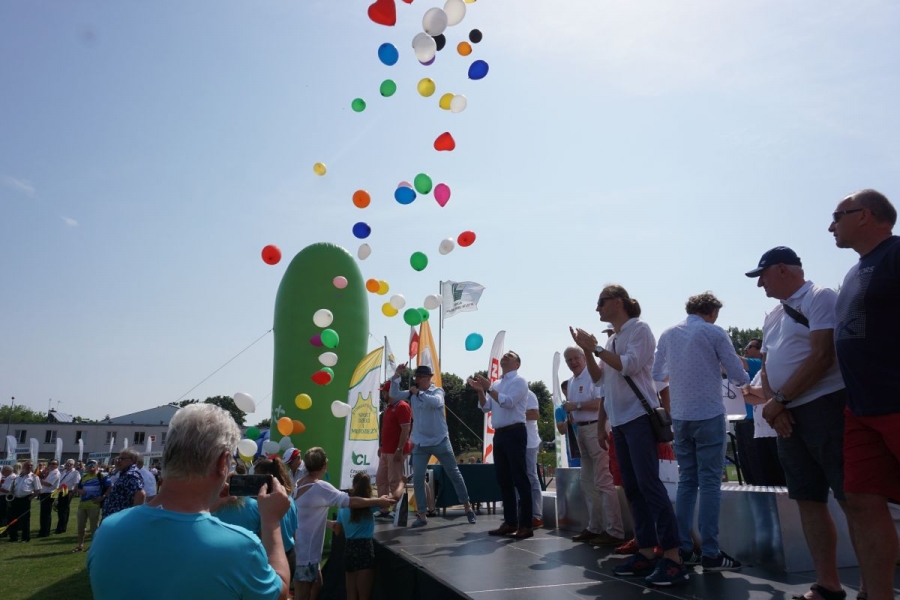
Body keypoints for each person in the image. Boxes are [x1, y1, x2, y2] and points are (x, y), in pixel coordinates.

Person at [88, 403, 291, 600]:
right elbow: (280, 592)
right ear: (223, 462)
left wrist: (211, 507)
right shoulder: (241, 547)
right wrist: (271, 522)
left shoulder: (107, 530)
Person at [746, 246, 851, 600]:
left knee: (853, 500)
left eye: (762, 275)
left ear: (782, 269)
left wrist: (779, 402)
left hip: (826, 407)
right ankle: (827, 585)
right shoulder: (774, 315)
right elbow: (767, 366)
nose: (759, 283)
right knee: (808, 500)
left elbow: (823, 355)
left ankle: (872, 588)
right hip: (789, 415)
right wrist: (777, 406)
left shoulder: (820, 297)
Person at [571, 284, 687, 586]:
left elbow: (629, 366)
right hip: (620, 423)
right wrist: (589, 350)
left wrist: (596, 348)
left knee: (649, 485)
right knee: (632, 488)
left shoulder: (640, 329)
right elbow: (601, 381)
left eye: (601, 302)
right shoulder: (612, 339)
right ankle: (647, 551)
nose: (597, 308)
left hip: (638, 418)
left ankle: (673, 556)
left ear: (618, 302)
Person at [829, 189, 900, 600]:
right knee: (860, 500)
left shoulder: (897, 254)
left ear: (865, 215)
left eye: (837, 216)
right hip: (860, 409)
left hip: (896, 401)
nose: (831, 226)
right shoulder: (855, 272)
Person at [653, 292, 750, 571]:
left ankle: (684, 548)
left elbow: (657, 375)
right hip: (708, 413)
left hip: (680, 417)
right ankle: (710, 552)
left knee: (687, 481)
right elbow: (738, 376)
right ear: (712, 312)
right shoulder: (714, 332)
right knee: (709, 483)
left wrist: (682, 372)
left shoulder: (668, 333)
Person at [292, 447, 394, 600]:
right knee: (303, 594)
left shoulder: (299, 483)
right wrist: (378, 501)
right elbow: (351, 502)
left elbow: (307, 515)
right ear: (324, 465)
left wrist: (328, 523)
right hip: (306, 553)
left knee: (317, 584)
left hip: (301, 549)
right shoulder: (319, 487)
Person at [390, 364, 476, 528]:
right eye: (416, 377)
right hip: (420, 443)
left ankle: (467, 506)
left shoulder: (437, 391)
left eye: (420, 377)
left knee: (454, 473)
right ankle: (422, 515)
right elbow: (394, 394)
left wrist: (419, 393)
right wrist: (396, 376)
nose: (417, 379)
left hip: (439, 441)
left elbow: (437, 403)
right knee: (417, 478)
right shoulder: (412, 393)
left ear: (429, 378)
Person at [561, 345, 624, 547]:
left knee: (603, 480)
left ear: (584, 356)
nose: (573, 362)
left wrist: (576, 406)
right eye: (569, 360)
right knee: (587, 481)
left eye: (576, 358)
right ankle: (595, 526)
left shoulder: (593, 375)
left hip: (596, 427)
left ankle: (614, 530)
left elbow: (600, 402)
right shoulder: (572, 381)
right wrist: (573, 413)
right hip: (581, 430)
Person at [469, 351, 533, 539]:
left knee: (520, 479)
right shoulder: (496, 384)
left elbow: (508, 402)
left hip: (515, 432)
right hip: (500, 434)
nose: (505, 356)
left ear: (517, 363)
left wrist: (488, 388)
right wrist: (480, 391)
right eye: (504, 355)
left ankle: (526, 525)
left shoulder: (519, 381)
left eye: (510, 355)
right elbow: (485, 407)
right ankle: (510, 522)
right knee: (504, 480)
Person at [335, 472, 380, 600]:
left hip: (349, 549)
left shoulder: (343, 507)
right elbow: (393, 500)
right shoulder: (370, 506)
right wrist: (401, 483)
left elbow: (337, 531)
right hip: (365, 549)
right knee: (364, 596)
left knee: (351, 595)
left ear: (353, 485)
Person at [255, 457, 300, 585]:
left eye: (256, 476)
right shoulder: (289, 500)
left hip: (272, 557)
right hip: (289, 556)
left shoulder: (261, 505)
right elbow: (294, 532)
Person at [375, 380, 411, 517]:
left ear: (390, 392)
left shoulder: (402, 406)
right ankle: (384, 508)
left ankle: (397, 510)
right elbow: (387, 430)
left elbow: (406, 429)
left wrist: (399, 449)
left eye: (384, 392)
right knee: (381, 480)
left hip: (395, 451)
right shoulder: (389, 407)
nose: (383, 394)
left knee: (394, 481)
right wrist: (382, 446)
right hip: (386, 451)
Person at [72, 460, 109, 552]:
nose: (91, 468)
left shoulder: (102, 476)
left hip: (94, 505)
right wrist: (80, 491)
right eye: (89, 466)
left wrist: (102, 497)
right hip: (82, 505)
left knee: (94, 528)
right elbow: (78, 488)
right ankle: (80, 545)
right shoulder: (84, 476)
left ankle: (94, 546)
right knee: (80, 526)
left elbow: (110, 486)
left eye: (93, 466)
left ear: (97, 466)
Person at [101, 448, 145, 520]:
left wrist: (134, 518)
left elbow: (141, 495)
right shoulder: (124, 473)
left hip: (120, 519)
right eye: (118, 458)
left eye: (122, 459)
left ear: (132, 460)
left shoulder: (131, 475)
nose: (118, 461)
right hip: (115, 517)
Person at [523, 390, 544, 528]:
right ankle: (521, 513)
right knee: (516, 478)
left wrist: (515, 414)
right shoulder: (505, 395)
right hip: (514, 442)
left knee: (531, 476)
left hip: (529, 443)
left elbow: (535, 414)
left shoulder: (528, 394)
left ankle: (536, 515)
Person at [7, 460, 40, 543]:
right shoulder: (18, 477)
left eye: (31, 465)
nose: (29, 467)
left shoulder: (34, 477)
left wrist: (29, 498)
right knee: (13, 517)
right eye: (27, 465)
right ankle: (13, 537)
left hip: (25, 499)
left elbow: (38, 490)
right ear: (23, 467)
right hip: (16, 499)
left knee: (25, 519)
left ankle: (25, 537)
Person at [554, 380, 581, 467]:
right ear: (564, 391)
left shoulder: (581, 404)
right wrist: (568, 419)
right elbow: (561, 431)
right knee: (576, 471)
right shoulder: (559, 410)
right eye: (569, 388)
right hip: (573, 445)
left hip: (587, 439)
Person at [739, 338, 764, 419]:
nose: (745, 349)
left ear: (760, 350)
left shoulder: (759, 363)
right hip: (743, 418)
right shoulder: (749, 367)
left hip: (751, 418)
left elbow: (735, 361)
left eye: (749, 347)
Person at [55, 459, 81, 534]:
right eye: (67, 464)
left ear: (73, 465)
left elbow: (77, 483)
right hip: (61, 490)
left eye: (70, 464)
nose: (68, 465)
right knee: (60, 509)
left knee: (64, 510)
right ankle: (61, 525)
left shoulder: (75, 473)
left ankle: (61, 527)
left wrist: (73, 493)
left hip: (68, 491)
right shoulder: (64, 472)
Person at [37, 459, 60, 537]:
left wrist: (38, 480)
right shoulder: (50, 472)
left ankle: (45, 532)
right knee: (43, 513)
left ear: (57, 465)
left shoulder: (56, 473)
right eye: (50, 463)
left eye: (54, 464)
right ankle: (43, 530)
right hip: (44, 493)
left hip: (49, 494)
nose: (51, 465)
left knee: (46, 513)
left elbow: (49, 484)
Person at [0, 465, 16, 529]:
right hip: (5, 497)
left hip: (5, 498)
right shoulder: (9, 477)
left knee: (4, 514)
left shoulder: (10, 477)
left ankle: (4, 528)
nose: (2, 473)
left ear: (8, 471)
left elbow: (7, 490)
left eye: (3, 471)